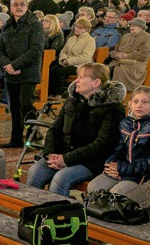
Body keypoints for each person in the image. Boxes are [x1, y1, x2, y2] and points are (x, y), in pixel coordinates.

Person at [27, 63, 126, 196]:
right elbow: (54, 129)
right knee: (36, 172)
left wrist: (67, 159)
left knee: (61, 178)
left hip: (91, 162)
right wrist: (50, 153)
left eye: (81, 77)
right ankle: (32, 212)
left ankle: (58, 214)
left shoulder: (113, 109)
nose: (76, 81)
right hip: (63, 154)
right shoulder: (72, 101)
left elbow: (103, 144)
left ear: (95, 83)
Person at [87, 86, 150, 195]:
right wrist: (110, 164)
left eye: (145, 102)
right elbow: (118, 148)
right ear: (130, 104)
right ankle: (94, 211)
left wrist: (123, 168)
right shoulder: (126, 123)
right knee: (94, 186)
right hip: (120, 170)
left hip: (141, 175)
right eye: (135, 101)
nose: (139, 105)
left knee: (117, 193)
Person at [0, 0, 45, 149]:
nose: (19, 7)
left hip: (28, 72)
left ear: (27, 6)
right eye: (15, 4)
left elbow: (36, 50)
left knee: (26, 106)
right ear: (10, 7)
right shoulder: (8, 25)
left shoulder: (35, 24)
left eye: (22, 4)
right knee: (15, 107)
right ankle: (16, 139)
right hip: (11, 73)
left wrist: (15, 65)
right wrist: (8, 65)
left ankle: (34, 139)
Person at [49, 17, 96, 96]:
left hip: (80, 65)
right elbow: (63, 51)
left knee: (60, 72)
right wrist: (63, 59)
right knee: (51, 69)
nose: (77, 29)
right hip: (66, 62)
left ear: (86, 29)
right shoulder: (71, 38)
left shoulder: (90, 40)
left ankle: (58, 94)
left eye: (80, 28)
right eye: (76, 26)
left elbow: (85, 57)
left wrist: (69, 61)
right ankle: (49, 93)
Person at [108, 18, 150, 92]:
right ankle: (109, 91)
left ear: (141, 27)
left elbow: (144, 54)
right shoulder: (126, 36)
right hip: (119, 61)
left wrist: (126, 55)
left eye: (134, 26)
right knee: (105, 69)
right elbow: (116, 49)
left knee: (119, 70)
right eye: (131, 25)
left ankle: (120, 92)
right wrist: (116, 54)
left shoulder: (148, 38)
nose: (131, 27)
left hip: (136, 64)